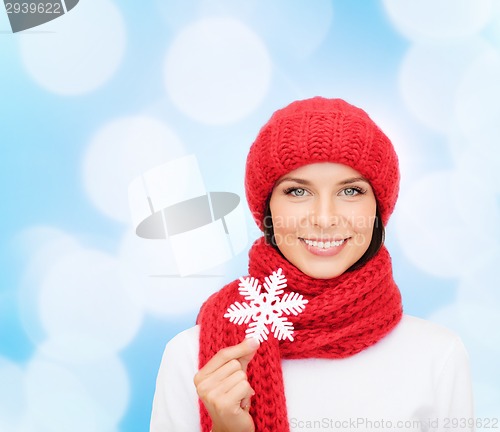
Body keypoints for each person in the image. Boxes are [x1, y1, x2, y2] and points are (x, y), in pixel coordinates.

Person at [150, 97, 474, 432]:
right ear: (267, 210)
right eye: (297, 192)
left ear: (378, 208)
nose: (324, 218)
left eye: (350, 191)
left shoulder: (438, 355)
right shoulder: (195, 358)